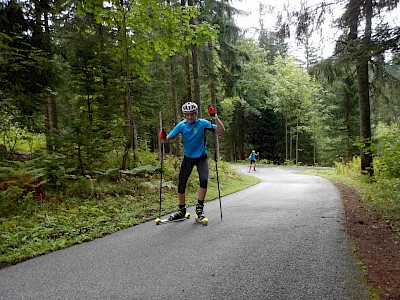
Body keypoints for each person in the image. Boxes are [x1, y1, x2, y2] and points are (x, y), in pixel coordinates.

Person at [159, 102, 225, 221]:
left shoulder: (202, 123)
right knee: (181, 183)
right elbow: (167, 140)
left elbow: (221, 131)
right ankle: (181, 210)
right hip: (188, 158)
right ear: (184, 115)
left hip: (201, 157)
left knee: (204, 180)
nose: (189, 117)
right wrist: (163, 137)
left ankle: (199, 209)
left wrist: (215, 116)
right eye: (187, 114)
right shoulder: (181, 126)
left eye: (192, 114)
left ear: (196, 113)